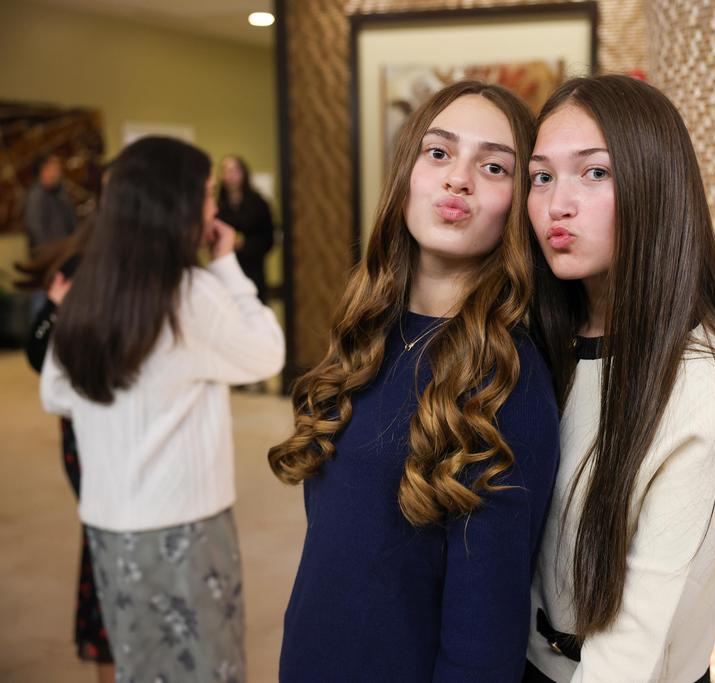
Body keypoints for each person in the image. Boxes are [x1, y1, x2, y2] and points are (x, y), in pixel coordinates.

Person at [268, 80, 559, 681]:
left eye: (494, 166)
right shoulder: (368, 333)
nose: (458, 179)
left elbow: (484, 641)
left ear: (519, 204)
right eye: (439, 152)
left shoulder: (507, 379)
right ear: (407, 173)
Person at [524, 74, 715, 683]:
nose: (557, 204)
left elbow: (630, 652)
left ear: (655, 185)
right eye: (541, 176)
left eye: (595, 172)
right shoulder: (544, 342)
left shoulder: (709, 386)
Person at [39, 136, 285, 680]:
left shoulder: (86, 290)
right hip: (185, 526)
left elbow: (55, 392)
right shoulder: (191, 294)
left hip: (108, 524)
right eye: (206, 195)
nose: (214, 209)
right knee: (206, 666)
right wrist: (227, 265)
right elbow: (267, 352)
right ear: (175, 205)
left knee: (140, 664)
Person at [18, 224, 114, 683]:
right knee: (101, 531)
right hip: (84, 426)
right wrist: (57, 308)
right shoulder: (80, 268)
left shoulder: (141, 269)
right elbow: (37, 354)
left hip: (112, 421)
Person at [217, 155, 275, 302]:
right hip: (225, 268)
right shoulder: (217, 205)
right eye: (226, 171)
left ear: (243, 173)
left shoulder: (258, 203)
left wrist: (244, 244)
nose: (230, 176)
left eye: (234, 170)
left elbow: (269, 239)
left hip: (253, 269)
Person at [24, 152, 78, 251]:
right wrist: (53, 251)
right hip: (52, 254)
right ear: (44, 170)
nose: (59, 172)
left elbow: (72, 223)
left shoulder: (60, 192)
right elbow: (37, 231)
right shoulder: (36, 196)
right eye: (55, 167)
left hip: (67, 249)